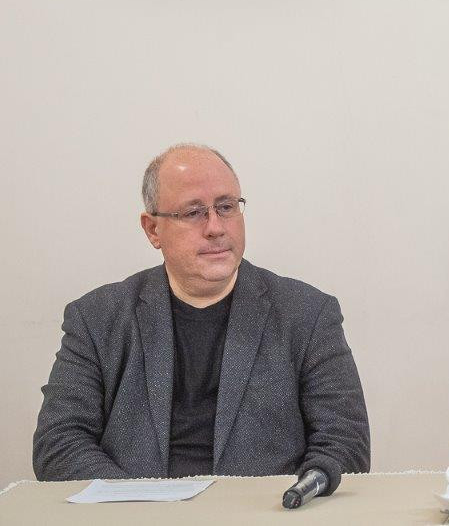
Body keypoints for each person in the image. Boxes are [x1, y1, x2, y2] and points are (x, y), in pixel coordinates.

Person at [33, 144, 370, 487]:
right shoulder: (97, 318)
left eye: (226, 207)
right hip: (135, 509)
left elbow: (345, 444)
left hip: (264, 510)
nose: (215, 227)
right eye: (193, 212)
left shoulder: (307, 314)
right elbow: (59, 443)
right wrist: (139, 503)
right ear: (153, 230)